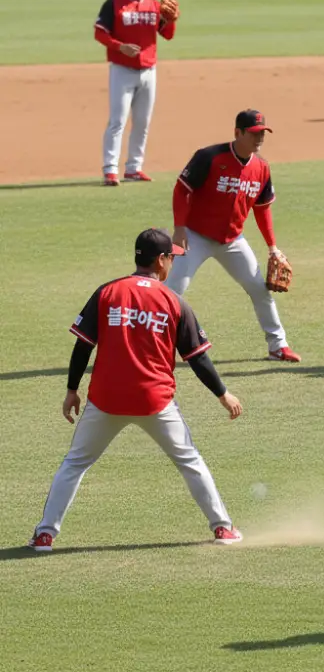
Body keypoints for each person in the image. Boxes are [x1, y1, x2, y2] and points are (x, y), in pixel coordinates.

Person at [28, 229, 243, 552]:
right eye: (170, 257)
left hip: (106, 400)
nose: (172, 262)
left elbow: (82, 346)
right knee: (189, 461)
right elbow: (198, 359)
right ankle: (223, 528)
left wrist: (72, 389)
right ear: (160, 261)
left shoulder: (107, 293)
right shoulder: (174, 301)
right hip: (155, 403)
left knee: (74, 464)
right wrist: (223, 394)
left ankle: (45, 534)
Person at [167, 109, 301, 362]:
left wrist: (272, 247)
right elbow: (181, 190)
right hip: (195, 236)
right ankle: (149, 345)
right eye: (253, 134)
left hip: (233, 241)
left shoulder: (261, 168)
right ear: (237, 132)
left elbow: (262, 210)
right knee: (172, 291)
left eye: (262, 133)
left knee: (259, 290)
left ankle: (277, 346)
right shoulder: (209, 157)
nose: (259, 138)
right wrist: (180, 228)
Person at [94, 0, 178, 186]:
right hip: (122, 71)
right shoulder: (114, 5)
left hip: (149, 71)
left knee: (142, 122)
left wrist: (171, 19)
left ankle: (134, 167)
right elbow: (100, 34)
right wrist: (120, 46)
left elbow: (167, 34)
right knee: (117, 121)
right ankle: (110, 169)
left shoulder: (153, 5)